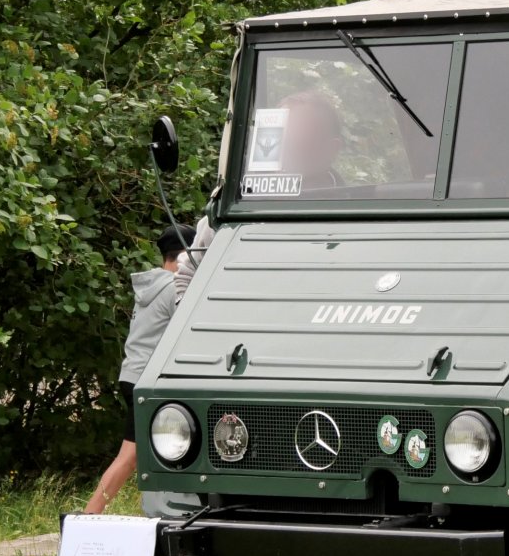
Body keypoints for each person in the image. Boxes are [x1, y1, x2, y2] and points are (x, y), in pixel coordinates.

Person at [176, 90, 344, 302]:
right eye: (277, 138)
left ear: (330, 149)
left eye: (296, 142)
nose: (282, 150)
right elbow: (190, 270)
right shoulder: (241, 205)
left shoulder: (356, 211)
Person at [85, 223, 195, 514]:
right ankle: (87, 517)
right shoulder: (175, 288)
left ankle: (169, 512)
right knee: (130, 456)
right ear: (186, 255)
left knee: (163, 450)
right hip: (148, 381)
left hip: (132, 374)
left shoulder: (153, 285)